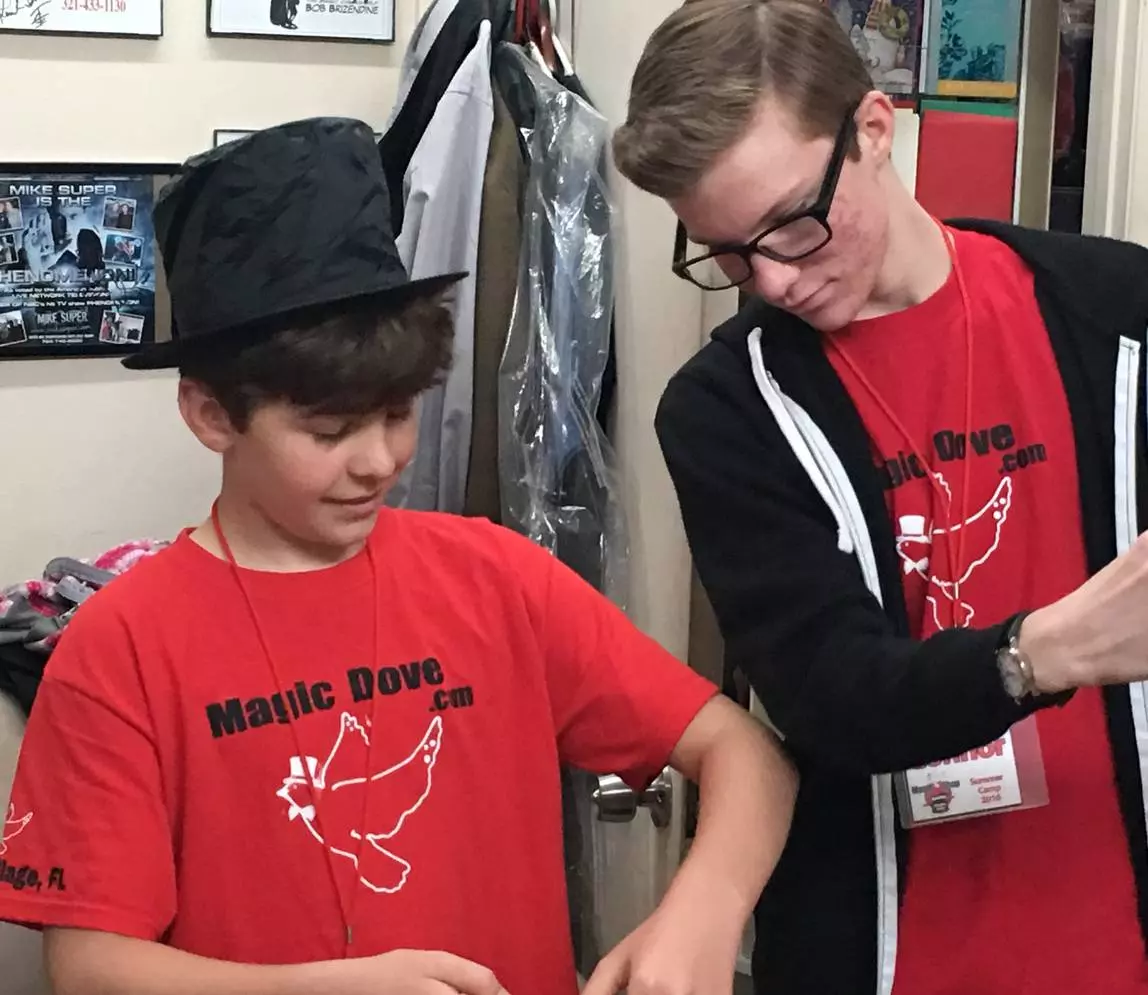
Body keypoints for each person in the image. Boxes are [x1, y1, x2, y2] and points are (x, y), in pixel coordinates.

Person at [0, 118, 797, 995]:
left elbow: (744, 754)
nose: (379, 460)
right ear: (210, 414)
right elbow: (89, 967)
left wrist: (703, 908)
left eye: (397, 413)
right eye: (330, 430)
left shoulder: (497, 578)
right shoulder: (121, 648)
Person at [611, 2, 1148, 994]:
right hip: (878, 950)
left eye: (791, 225)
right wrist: (1044, 651)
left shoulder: (1115, 314)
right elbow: (831, 700)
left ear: (870, 130)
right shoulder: (725, 411)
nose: (769, 280)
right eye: (727, 252)